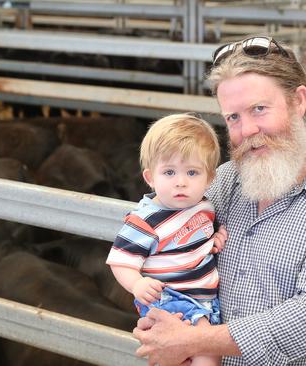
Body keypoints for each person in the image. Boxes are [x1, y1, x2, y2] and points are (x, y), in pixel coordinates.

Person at [132, 36, 306, 366]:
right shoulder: (221, 181)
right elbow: (162, 239)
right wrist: (159, 319)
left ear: (299, 101)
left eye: (259, 109)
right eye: (233, 117)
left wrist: (191, 340)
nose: (247, 129)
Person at [106, 113, 228, 366]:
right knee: (207, 353)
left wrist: (214, 240)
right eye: (169, 172)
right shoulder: (145, 221)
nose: (181, 182)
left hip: (204, 299)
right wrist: (137, 284)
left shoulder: (204, 207)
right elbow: (120, 261)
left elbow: (197, 240)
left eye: (192, 172)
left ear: (210, 179)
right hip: (170, 297)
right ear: (150, 177)